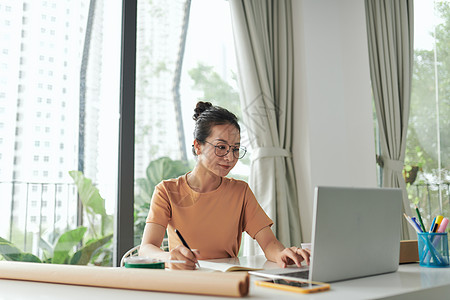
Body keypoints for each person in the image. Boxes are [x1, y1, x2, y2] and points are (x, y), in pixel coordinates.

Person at [139, 101, 310, 270]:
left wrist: (281, 253)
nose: (230, 158)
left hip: (228, 281)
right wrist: (169, 258)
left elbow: (269, 242)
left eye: (235, 149)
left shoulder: (240, 192)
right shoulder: (167, 191)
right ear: (198, 146)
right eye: (221, 147)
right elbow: (146, 248)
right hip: (185, 281)